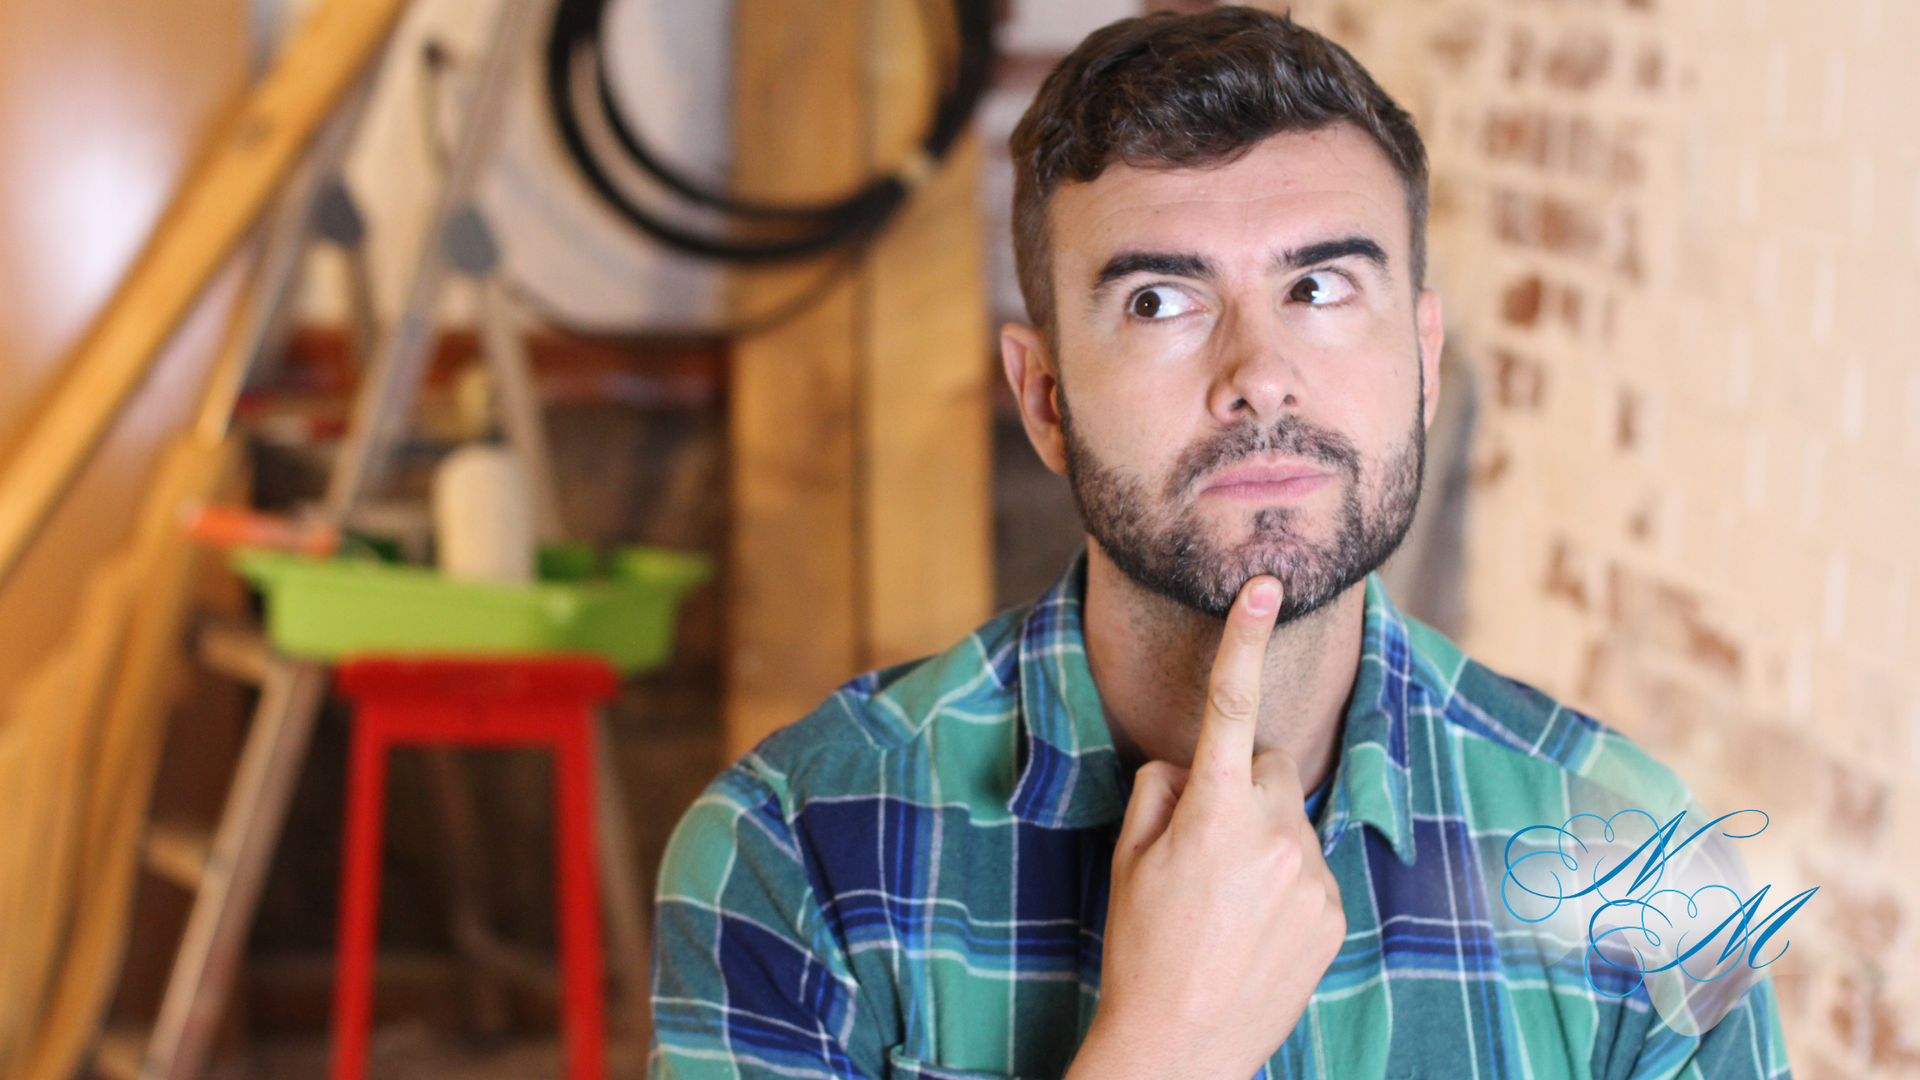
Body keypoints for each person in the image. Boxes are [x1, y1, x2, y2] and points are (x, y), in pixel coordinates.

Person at [650, 8, 1793, 1079]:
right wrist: (1164, 1045)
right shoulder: (794, 854)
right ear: (1044, 399)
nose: (1260, 378)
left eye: (1321, 285)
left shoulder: (1636, 855)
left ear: (1425, 361)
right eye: (1159, 301)